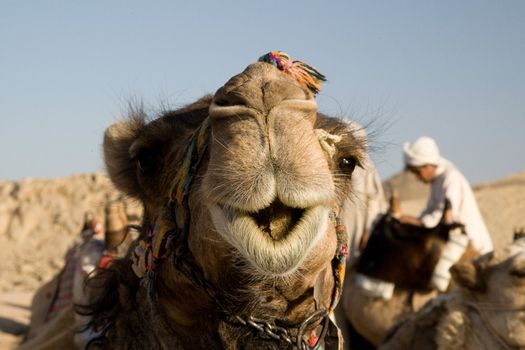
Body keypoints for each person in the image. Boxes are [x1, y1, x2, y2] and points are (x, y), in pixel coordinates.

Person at [400, 136, 493, 254]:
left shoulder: (451, 177)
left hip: (472, 248)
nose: (418, 178)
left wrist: (419, 222)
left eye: (418, 173)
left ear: (428, 166)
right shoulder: (436, 180)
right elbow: (431, 210)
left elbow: (445, 215)